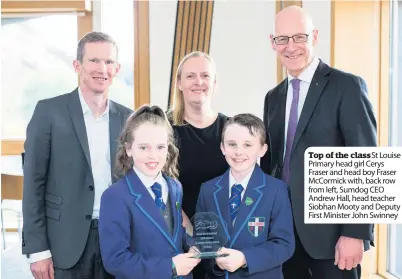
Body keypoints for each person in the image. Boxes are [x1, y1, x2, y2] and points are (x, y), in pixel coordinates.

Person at [260, 6, 377, 279]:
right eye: (282, 39)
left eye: (299, 37)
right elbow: (272, 164)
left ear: (314, 36)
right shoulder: (273, 97)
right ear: (273, 43)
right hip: (283, 235)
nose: (291, 47)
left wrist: (355, 233)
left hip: (332, 237)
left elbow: (365, 162)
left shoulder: (346, 86)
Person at [22, 31, 133, 279]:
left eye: (109, 62)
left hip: (117, 240)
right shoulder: (49, 112)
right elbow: (33, 184)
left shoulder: (128, 118)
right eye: (94, 60)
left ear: (117, 69)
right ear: (77, 65)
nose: (101, 68)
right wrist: (38, 250)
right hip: (64, 243)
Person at [98, 105, 200, 279]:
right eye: (144, 148)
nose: (153, 156)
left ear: (168, 149)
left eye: (160, 147)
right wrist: (171, 266)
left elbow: (169, 232)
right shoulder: (115, 196)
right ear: (129, 149)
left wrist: (193, 245)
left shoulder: (175, 186)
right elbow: (115, 260)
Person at [196, 113, 295, 279]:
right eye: (232, 144)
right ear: (222, 147)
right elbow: (202, 239)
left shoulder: (277, 190)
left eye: (247, 145)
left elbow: (284, 245)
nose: (238, 152)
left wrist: (244, 258)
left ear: (262, 149)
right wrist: (215, 263)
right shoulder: (208, 190)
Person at [169, 51, 230, 278]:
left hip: (225, 243)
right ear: (179, 83)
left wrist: (217, 240)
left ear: (214, 83)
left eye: (205, 76)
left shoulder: (231, 129)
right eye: (190, 76)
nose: (198, 82)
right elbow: (161, 188)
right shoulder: (164, 130)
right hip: (177, 239)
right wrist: (193, 235)